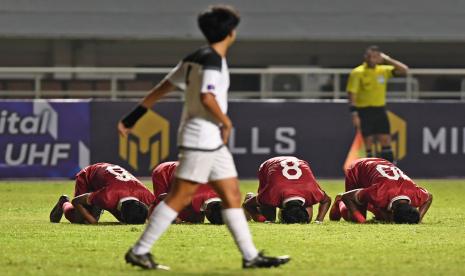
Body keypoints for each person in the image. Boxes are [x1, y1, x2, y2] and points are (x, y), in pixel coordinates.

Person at [118, 5, 290, 270]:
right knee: (179, 197)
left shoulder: (195, 57)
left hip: (209, 141)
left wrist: (131, 118)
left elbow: (162, 87)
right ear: (230, 33)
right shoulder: (212, 60)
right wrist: (226, 121)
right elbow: (206, 97)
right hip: (201, 137)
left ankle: (250, 256)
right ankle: (140, 250)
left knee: (232, 194)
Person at [346, 46, 409, 162]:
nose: (373, 59)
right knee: (368, 144)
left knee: (385, 141)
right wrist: (354, 114)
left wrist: (386, 58)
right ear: (366, 57)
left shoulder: (383, 70)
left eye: (376, 57)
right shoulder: (357, 72)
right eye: (371, 56)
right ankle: (368, 173)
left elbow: (404, 70)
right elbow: (352, 94)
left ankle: (390, 172)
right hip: (364, 111)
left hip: (379, 110)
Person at [330, 158, 433, 224]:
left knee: (382, 216)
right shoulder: (379, 193)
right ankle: (339, 203)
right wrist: (362, 221)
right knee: (354, 218)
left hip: (380, 168)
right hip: (358, 169)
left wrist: (419, 219)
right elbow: (347, 197)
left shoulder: (416, 194)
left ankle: (378, 212)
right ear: (392, 211)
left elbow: (429, 197)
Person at [49, 163, 154, 224]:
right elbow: (76, 201)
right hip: (88, 176)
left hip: (106, 181)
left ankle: (96, 205)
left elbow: (155, 210)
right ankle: (63, 202)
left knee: (95, 211)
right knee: (79, 219)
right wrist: (92, 220)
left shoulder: (146, 195)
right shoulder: (108, 197)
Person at [243, 156, 331, 224]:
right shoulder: (271, 195)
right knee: (270, 218)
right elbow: (247, 204)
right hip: (269, 165)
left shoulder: (311, 192)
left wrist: (318, 221)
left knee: (306, 219)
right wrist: (258, 217)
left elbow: (327, 200)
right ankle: (250, 196)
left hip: (298, 164)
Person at [151, 161, 223, 224]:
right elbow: (162, 197)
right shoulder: (190, 196)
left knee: (196, 220)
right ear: (208, 211)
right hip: (164, 171)